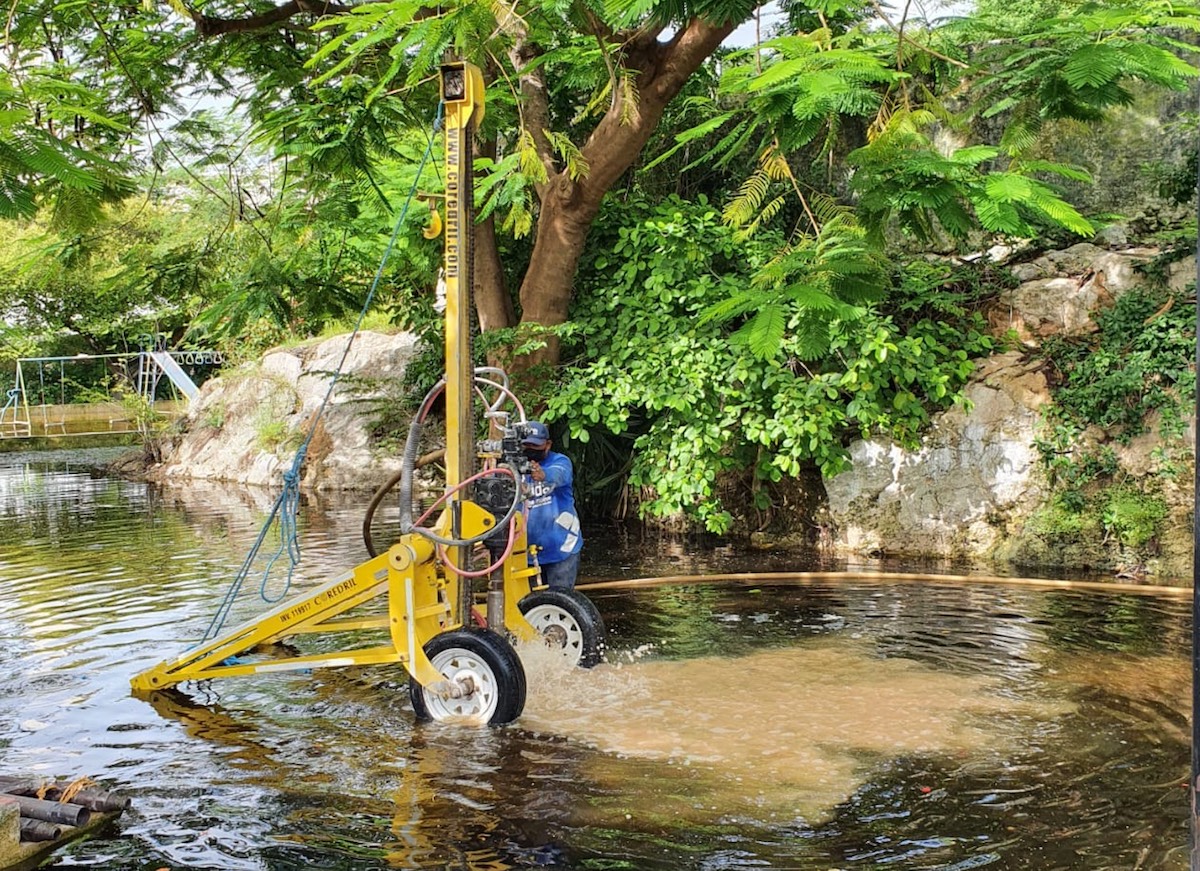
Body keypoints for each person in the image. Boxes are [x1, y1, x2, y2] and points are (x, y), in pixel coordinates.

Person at [520, 421, 582, 590]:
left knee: (560, 601)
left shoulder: (560, 461)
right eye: (527, 445)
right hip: (525, 554)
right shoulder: (511, 468)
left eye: (536, 445)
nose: (531, 449)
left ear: (547, 445)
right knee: (528, 606)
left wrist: (543, 474)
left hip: (562, 549)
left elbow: (560, 474)